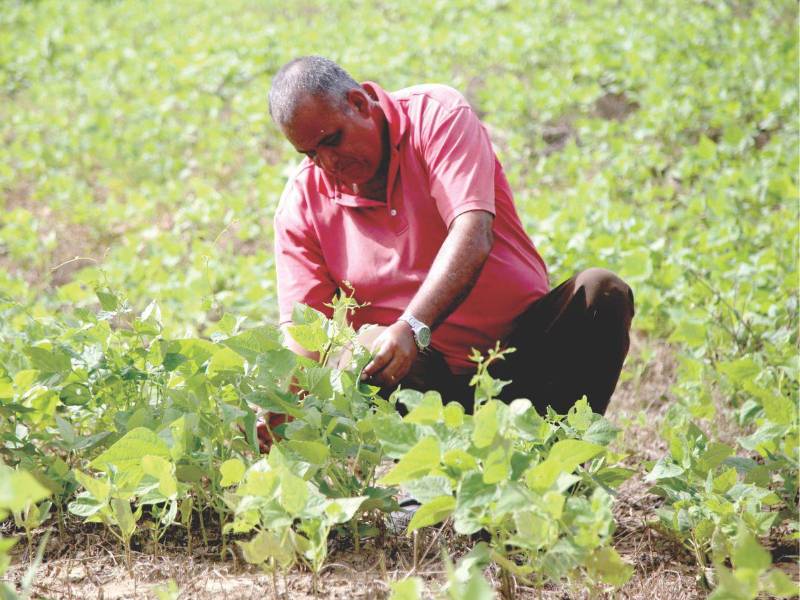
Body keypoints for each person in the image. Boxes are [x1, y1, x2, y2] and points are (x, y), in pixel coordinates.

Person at [269, 55, 634, 416]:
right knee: (367, 349)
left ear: (359, 104)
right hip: (423, 383)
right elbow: (306, 334)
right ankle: (437, 452)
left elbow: (472, 232)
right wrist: (278, 406)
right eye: (311, 154)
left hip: (523, 353)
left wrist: (413, 326)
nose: (328, 162)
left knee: (600, 291)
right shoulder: (302, 204)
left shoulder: (435, 116)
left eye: (333, 140)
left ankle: (558, 450)